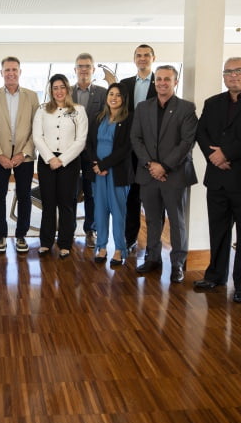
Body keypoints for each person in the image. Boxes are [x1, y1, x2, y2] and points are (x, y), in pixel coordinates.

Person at [194, 57, 241, 303]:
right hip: (218, 178)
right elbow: (201, 133)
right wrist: (214, 157)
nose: (233, 75)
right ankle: (215, 275)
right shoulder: (213, 103)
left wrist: (227, 153)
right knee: (218, 231)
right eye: (228, 72)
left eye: (238, 71)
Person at [130, 64, 198, 283]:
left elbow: (187, 142)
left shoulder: (186, 108)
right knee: (152, 220)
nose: (162, 83)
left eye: (167, 79)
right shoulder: (143, 107)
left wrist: (164, 166)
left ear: (175, 82)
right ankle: (152, 258)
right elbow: (136, 138)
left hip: (174, 174)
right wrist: (151, 164)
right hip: (148, 173)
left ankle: (177, 263)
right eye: (159, 79)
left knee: (176, 222)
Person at [0, 57, 40, 255]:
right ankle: (1, 235)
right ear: (1, 73)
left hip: (25, 155)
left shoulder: (32, 96)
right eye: (7, 70)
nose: (11, 73)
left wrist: (23, 153)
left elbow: (36, 128)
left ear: (20, 72)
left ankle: (21, 235)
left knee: (24, 195)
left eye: (14, 69)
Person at [32, 74, 89, 257]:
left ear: (68, 89)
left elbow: (80, 140)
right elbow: (37, 137)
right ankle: (46, 242)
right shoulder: (42, 110)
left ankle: (65, 243)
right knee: (48, 203)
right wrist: (51, 158)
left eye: (62, 87)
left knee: (67, 203)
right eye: (55, 88)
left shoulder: (79, 110)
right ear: (50, 91)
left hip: (69, 162)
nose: (59, 91)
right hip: (46, 161)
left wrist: (62, 160)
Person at [84, 83, 134, 265]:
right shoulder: (98, 117)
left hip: (118, 173)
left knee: (118, 212)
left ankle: (119, 249)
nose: (114, 98)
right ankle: (102, 247)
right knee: (99, 211)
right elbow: (89, 143)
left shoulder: (129, 119)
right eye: (111, 94)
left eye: (118, 95)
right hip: (98, 173)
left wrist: (104, 164)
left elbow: (126, 148)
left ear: (124, 99)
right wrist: (96, 164)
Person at [119, 44, 158, 253]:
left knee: (153, 200)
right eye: (139, 55)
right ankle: (130, 238)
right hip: (130, 150)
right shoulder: (125, 85)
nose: (142, 58)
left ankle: (154, 245)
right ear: (134, 59)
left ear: (153, 58)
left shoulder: (160, 82)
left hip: (153, 151)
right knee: (131, 197)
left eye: (146, 55)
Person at [72, 53, 107, 247]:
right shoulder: (66, 92)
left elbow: (106, 122)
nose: (83, 70)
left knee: (91, 192)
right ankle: (68, 229)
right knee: (69, 191)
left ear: (93, 70)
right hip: (70, 152)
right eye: (80, 66)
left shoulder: (102, 93)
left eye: (87, 66)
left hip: (93, 151)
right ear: (75, 70)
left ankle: (90, 229)